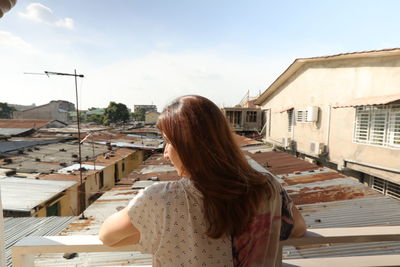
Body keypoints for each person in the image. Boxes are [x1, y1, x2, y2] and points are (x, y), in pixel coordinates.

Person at [99, 95, 306, 267]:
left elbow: (107, 236)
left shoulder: (160, 198)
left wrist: (156, 229)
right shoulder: (267, 187)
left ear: (188, 147)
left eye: (168, 142)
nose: (165, 153)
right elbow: (297, 228)